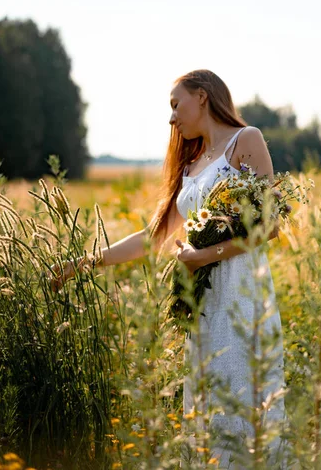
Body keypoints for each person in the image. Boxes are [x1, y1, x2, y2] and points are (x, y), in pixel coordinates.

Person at [51, 69, 287, 469]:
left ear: (202, 97)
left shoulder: (246, 141)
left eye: (176, 105)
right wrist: (85, 262)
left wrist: (202, 258)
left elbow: (269, 226)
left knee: (242, 404)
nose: (172, 117)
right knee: (210, 408)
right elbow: (152, 237)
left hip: (242, 299)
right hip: (205, 306)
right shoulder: (191, 165)